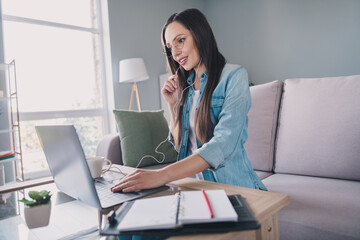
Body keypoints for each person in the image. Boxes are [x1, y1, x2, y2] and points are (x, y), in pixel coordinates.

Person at [111, 8, 267, 193]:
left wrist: (161, 175)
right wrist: (173, 105)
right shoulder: (185, 86)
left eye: (180, 40)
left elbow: (224, 143)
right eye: (169, 47)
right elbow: (180, 145)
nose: (175, 53)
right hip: (193, 188)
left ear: (200, 34)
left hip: (232, 188)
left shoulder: (234, 76)